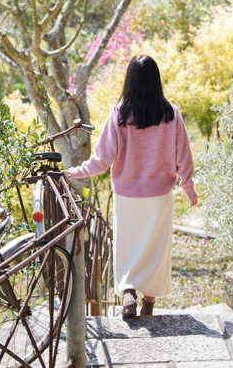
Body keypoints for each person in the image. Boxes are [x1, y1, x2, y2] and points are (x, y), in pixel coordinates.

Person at [64, 55, 198, 318]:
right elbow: (184, 156)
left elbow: (102, 158)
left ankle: (127, 293)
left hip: (127, 196)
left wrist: (76, 172)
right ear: (156, 80)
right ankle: (148, 304)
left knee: (126, 245)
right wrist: (189, 187)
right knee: (157, 250)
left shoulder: (120, 113)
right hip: (159, 196)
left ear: (130, 80)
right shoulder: (171, 113)